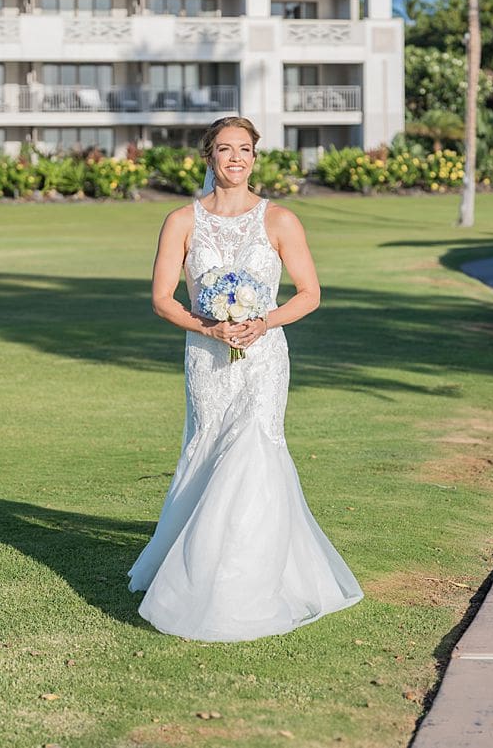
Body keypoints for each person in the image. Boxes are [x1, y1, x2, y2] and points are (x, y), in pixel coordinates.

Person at [127, 116, 364, 641]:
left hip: (264, 358)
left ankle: (245, 581)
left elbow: (309, 294)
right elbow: (163, 299)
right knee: (209, 450)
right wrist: (209, 327)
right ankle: (190, 568)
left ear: (255, 157)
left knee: (253, 449)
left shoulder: (279, 220)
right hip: (206, 358)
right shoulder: (180, 221)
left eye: (245, 150)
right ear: (208, 156)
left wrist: (263, 321)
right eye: (225, 149)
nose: (236, 158)